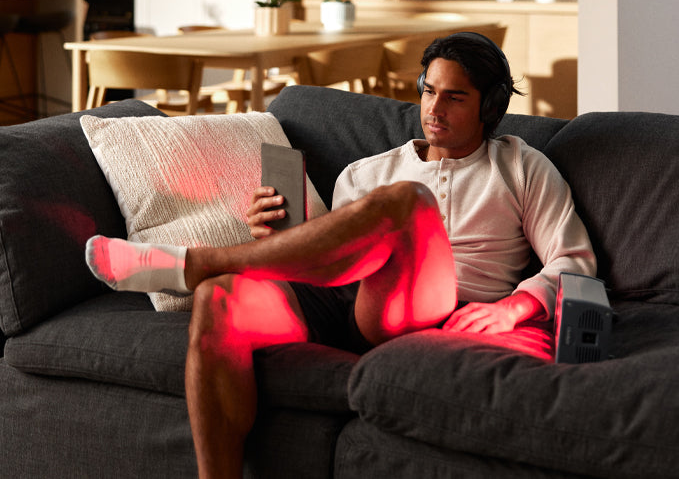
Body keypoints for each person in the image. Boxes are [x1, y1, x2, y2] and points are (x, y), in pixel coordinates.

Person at [85, 32, 596, 478]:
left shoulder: (521, 167)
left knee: (406, 203)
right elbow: (330, 261)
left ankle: (197, 261)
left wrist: (514, 306)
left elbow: (575, 262)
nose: (434, 109)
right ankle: (212, 277)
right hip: (344, 304)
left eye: (455, 98)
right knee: (219, 301)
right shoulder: (364, 172)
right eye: (428, 91)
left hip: (431, 312)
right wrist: (276, 235)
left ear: (489, 107)